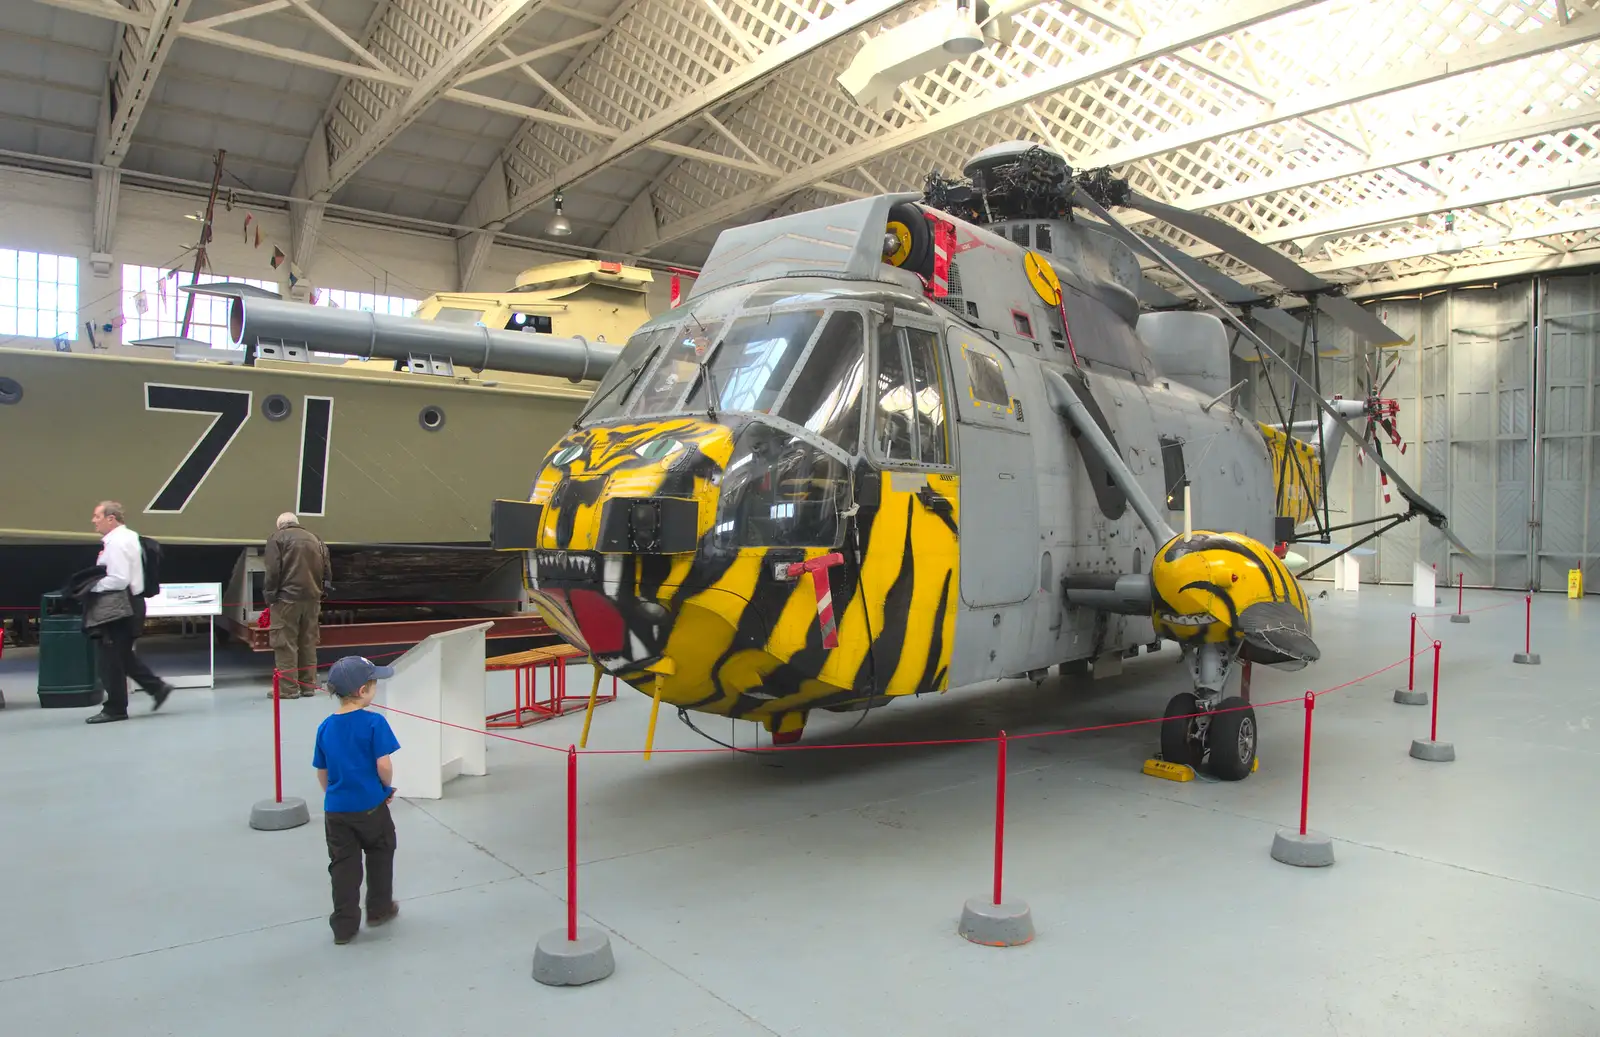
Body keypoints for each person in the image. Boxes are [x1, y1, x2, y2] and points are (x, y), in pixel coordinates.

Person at [314, 655, 402, 945]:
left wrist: (334, 795)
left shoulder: (325, 727)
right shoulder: (375, 723)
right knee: (381, 850)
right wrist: (385, 788)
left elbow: (322, 772)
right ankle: (378, 909)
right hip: (370, 807)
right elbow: (384, 765)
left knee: (343, 866)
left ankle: (344, 926)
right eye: (374, 683)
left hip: (336, 811)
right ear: (363, 690)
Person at [84, 501, 173, 724]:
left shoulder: (117, 543)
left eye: (97, 516)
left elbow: (118, 579)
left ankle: (115, 709)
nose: (94, 521)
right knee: (122, 655)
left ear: (111, 519)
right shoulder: (131, 537)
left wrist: (91, 587)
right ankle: (157, 688)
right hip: (132, 604)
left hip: (120, 606)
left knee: (109, 658)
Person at [264, 512, 330, 698]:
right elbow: (327, 571)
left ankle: (288, 689)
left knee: (285, 643)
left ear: (281, 525)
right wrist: (322, 592)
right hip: (312, 599)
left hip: (286, 599)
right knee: (308, 642)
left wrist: (270, 597)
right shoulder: (316, 540)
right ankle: (308, 686)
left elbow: (273, 571)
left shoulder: (277, 539)